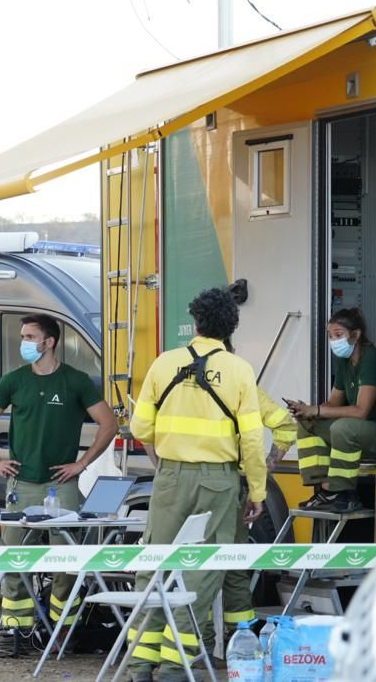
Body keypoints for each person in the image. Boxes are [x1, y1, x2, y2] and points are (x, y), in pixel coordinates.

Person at [126, 288, 267, 682]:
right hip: (218, 482)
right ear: (231, 327)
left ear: (196, 322)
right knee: (200, 573)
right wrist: (257, 490)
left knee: (155, 565)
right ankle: (175, 665)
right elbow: (252, 441)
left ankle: (140, 664)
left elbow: (140, 427)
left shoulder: (164, 363)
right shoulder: (239, 370)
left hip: (170, 478)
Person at [0, 313, 117, 657]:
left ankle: (61, 632)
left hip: (62, 484)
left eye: (29, 336)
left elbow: (108, 424)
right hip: (21, 484)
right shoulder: (14, 380)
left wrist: (82, 464)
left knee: (66, 562)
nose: (23, 342)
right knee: (15, 559)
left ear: (49, 342)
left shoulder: (76, 381)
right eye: (23, 336)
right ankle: (15, 633)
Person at [216, 340, 298, 635]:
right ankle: (240, 638)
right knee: (236, 566)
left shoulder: (185, 382)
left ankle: (198, 645)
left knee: (196, 565)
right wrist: (265, 470)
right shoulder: (243, 383)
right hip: (235, 486)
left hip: (193, 483)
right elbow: (286, 426)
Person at [286, 308, 376, 514]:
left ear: (356, 335)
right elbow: (333, 402)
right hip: (357, 433)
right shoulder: (344, 361)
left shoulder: (372, 358)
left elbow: (361, 412)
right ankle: (324, 489)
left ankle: (344, 493)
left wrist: (316, 410)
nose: (334, 341)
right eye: (330, 336)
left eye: (338, 335)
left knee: (343, 427)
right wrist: (308, 411)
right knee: (307, 422)